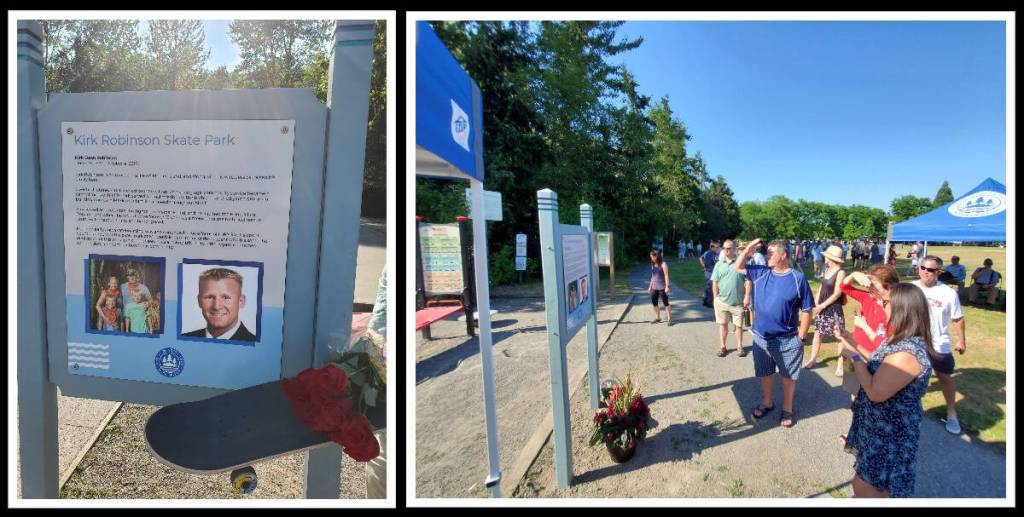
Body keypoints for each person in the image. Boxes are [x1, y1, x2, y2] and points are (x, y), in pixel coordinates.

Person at [833, 283, 937, 498]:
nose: (881, 306)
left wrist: (853, 356)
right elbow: (879, 364)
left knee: (866, 485)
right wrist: (851, 341)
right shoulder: (900, 340)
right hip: (879, 427)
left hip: (889, 433)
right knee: (871, 484)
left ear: (903, 309)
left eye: (887, 302)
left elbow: (875, 391)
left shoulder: (907, 352)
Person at [734, 238, 814, 428]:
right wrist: (748, 249)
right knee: (765, 372)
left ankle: (787, 408)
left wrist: (801, 337)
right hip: (761, 338)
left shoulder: (798, 278)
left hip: (787, 339)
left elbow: (807, 309)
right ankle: (768, 401)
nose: (767, 256)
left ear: (783, 255)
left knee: (788, 376)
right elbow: (738, 267)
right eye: (766, 252)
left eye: (771, 253)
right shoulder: (761, 273)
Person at [913, 256, 966, 434]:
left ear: (939, 272)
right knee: (914, 376)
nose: (926, 272)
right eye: (923, 268)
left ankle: (952, 413)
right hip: (914, 340)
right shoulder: (911, 288)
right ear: (919, 268)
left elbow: (957, 318)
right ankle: (914, 406)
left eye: (931, 270)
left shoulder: (948, 293)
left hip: (939, 343)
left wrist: (961, 340)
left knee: (944, 377)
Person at [837, 265, 901, 378]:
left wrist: (863, 325)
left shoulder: (893, 309)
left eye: (873, 283)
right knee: (852, 389)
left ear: (888, 286)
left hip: (873, 359)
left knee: (868, 391)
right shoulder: (868, 298)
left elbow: (884, 343)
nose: (868, 286)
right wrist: (853, 274)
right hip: (855, 353)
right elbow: (844, 287)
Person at [803, 245, 847, 369]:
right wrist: (815, 304)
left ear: (830, 258)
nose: (824, 258)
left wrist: (821, 306)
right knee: (818, 334)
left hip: (834, 309)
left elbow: (837, 293)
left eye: (826, 257)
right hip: (822, 308)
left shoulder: (841, 272)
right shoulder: (827, 269)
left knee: (839, 336)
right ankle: (813, 359)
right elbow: (822, 288)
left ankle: (840, 365)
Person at [183, 267, 256, 341]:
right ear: (199, 301)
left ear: (241, 301)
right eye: (210, 297)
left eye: (225, 297)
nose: (216, 306)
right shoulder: (184, 339)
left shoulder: (255, 343)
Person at [711, 240, 750, 357]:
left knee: (738, 326)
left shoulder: (741, 263)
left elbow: (748, 281)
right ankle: (723, 346)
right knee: (723, 325)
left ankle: (740, 347)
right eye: (724, 248)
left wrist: (747, 296)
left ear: (734, 249)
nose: (726, 250)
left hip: (737, 302)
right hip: (721, 302)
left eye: (729, 248)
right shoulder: (719, 264)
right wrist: (715, 298)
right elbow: (715, 282)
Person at [646, 250, 672, 323]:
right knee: (654, 303)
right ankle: (658, 318)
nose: (651, 258)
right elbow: (653, 276)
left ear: (656, 256)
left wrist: (667, 286)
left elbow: (666, 275)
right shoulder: (653, 264)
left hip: (662, 287)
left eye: (652, 257)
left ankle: (669, 319)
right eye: (651, 257)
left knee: (666, 303)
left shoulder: (663, 264)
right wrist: (650, 286)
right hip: (654, 287)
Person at [699, 242, 719, 308]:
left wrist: (703, 265)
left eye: (717, 247)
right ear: (712, 247)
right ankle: (709, 302)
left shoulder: (708, 252)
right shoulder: (709, 253)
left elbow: (700, 258)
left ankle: (705, 301)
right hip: (710, 272)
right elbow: (700, 258)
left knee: (707, 287)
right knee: (711, 287)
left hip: (709, 272)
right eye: (716, 247)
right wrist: (703, 265)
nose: (717, 248)